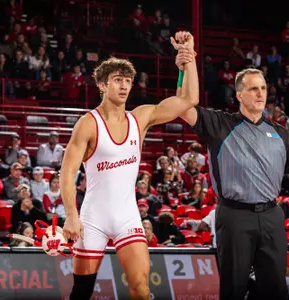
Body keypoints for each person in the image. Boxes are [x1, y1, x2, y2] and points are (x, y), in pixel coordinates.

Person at [60, 31, 198, 300]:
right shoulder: (88, 123)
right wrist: (71, 215)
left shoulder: (141, 118)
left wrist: (187, 60)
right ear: (101, 85)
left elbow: (187, 101)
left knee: (140, 288)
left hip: (127, 216)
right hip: (92, 219)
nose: (123, 86)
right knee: (82, 291)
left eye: (127, 81)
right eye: (116, 81)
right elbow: (67, 172)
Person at [178, 68, 289, 299]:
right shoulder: (220, 124)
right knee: (234, 289)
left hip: (271, 215)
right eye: (253, 89)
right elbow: (184, 108)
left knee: (276, 289)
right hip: (234, 216)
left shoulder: (279, 133)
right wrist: (185, 66)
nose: (260, 94)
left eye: (263, 88)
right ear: (239, 95)